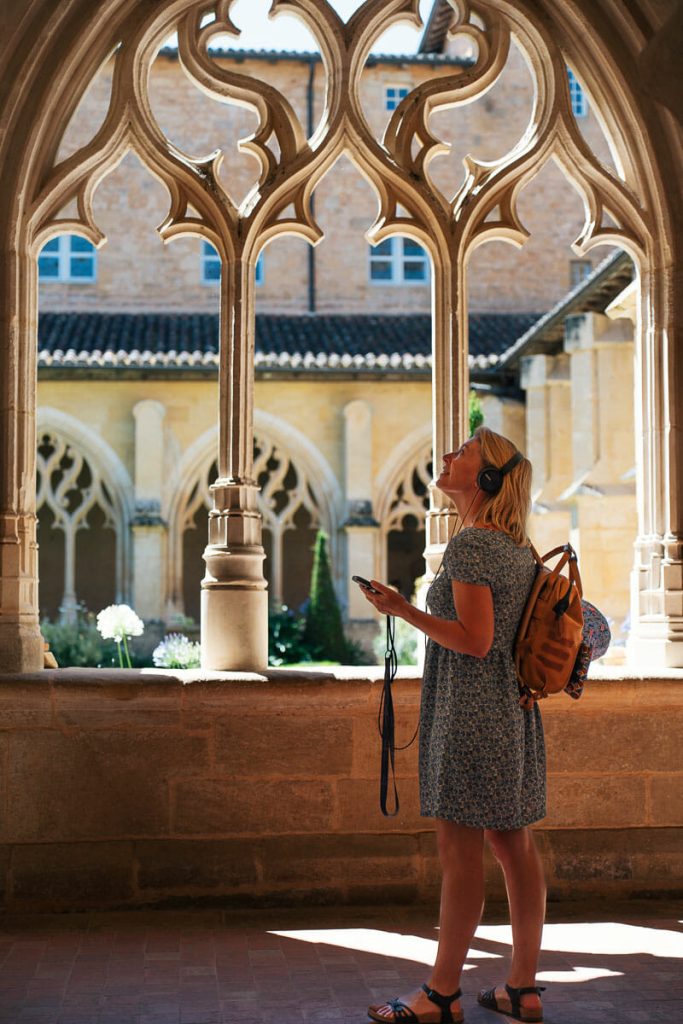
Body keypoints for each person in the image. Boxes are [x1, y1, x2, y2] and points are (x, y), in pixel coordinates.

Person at [362, 426, 546, 1024]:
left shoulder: (470, 548)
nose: (448, 456)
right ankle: (522, 988)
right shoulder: (518, 547)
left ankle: (440, 995)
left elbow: (476, 640)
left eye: (463, 452)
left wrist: (402, 609)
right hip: (512, 712)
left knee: (460, 850)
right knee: (513, 844)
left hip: (471, 716)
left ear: (487, 477)